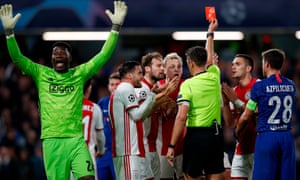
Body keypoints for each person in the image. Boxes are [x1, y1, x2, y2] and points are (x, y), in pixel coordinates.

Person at [0, 2, 127, 179]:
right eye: (55, 52)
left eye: (63, 52)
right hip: (52, 142)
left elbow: (103, 56)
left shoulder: (79, 73)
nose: (58, 54)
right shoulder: (41, 73)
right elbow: (18, 58)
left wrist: (115, 28)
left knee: (88, 177)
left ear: (69, 57)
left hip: (76, 140)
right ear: (51, 59)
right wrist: (9, 34)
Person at [167, 19, 226, 180]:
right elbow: (209, 58)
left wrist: (172, 145)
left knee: (190, 175)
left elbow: (181, 117)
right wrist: (210, 32)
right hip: (215, 134)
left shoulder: (187, 85)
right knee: (214, 174)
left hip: (196, 136)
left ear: (190, 63)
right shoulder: (215, 75)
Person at [235, 49, 297, 180]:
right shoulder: (291, 85)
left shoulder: (260, 87)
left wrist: (238, 129)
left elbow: (247, 115)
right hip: (286, 136)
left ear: (267, 64)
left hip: (267, 136)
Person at [135, 52, 179, 180]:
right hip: (143, 146)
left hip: (153, 146)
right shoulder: (141, 89)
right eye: (158, 66)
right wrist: (166, 93)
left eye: (163, 66)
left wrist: (171, 106)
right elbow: (144, 112)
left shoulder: (154, 88)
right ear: (147, 69)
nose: (162, 69)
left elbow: (162, 111)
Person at [109, 61, 156, 180]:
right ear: (130, 76)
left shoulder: (124, 89)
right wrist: (150, 96)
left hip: (133, 150)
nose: (141, 77)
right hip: (128, 152)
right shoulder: (126, 88)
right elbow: (136, 115)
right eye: (139, 73)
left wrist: (153, 98)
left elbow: (141, 115)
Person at [222, 54, 259, 180]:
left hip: (258, 149)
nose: (233, 67)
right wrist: (226, 103)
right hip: (240, 150)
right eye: (232, 64)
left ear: (248, 68)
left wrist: (235, 100)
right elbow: (230, 123)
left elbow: (257, 112)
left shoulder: (258, 85)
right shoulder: (234, 91)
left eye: (238, 64)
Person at [157, 52, 185, 180]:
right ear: (164, 69)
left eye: (179, 66)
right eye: (172, 67)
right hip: (163, 143)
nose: (176, 69)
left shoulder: (187, 86)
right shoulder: (158, 87)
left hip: (184, 143)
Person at [96, 72, 120, 180]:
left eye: (117, 84)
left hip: (119, 153)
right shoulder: (102, 103)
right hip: (104, 153)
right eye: (112, 84)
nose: (114, 87)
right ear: (108, 86)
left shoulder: (126, 103)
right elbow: (96, 125)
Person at [82, 79, 106, 180]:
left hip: (70, 157)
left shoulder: (66, 107)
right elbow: (100, 136)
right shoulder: (94, 108)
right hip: (88, 156)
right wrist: (100, 150)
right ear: (88, 89)